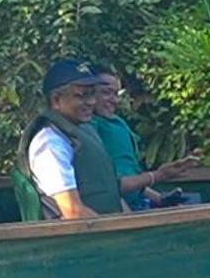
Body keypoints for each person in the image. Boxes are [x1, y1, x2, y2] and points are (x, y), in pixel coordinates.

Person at [20, 58, 123, 219]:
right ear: (56, 100)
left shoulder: (83, 131)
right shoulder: (50, 144)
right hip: (79, 239)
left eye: (92, 94)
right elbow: (73, 212)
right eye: (81, 96)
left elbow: (112, 192)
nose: (91, 102)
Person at [91, 69, 199, 209]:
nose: (114, 100)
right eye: (106, 92)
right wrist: (157, 175)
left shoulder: (117, 122)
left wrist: (160, 199)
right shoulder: (89, 128)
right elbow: (112, 186)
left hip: (139, 203)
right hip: (118, 208)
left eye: (116, 94)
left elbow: (130, 174)